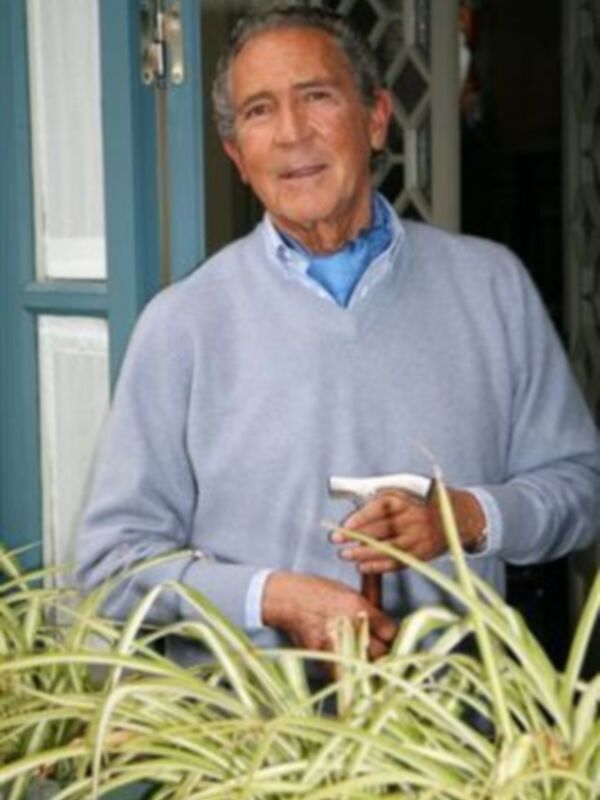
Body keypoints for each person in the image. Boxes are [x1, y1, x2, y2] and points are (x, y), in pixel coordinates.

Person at [77, 4, 600, 666]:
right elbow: (110, 567)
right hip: (251, 743)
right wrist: (271, 596)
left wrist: (465, 517)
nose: (292, 134)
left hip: (455, 741)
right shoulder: (182, 324)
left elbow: (581, 488)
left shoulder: (491, 287)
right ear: (238, 156)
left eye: (316, 97)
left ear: (376, 118)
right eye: (259, 111)